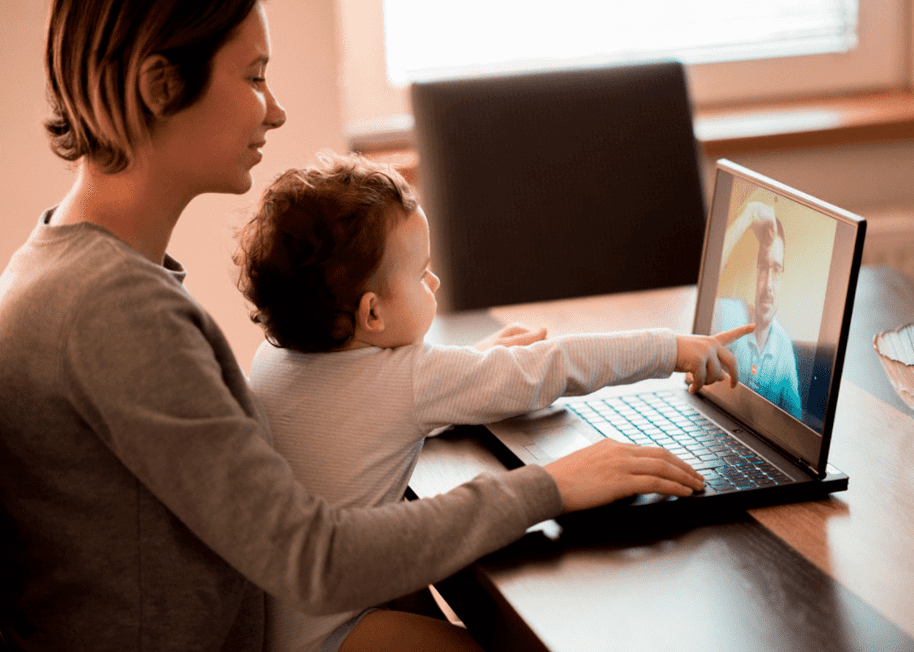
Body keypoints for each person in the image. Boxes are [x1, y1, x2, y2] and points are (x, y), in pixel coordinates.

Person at [0, 0, 738, 650]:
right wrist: (551, 486)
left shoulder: (70, 271)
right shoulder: (115, 313)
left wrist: (458, 384)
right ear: (161, 86)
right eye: (254, 77)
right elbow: (311, 560)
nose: (277, 108)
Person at [237, 152, 756, 652]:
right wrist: (671, 348)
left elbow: (365, 413)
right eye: (421, 275)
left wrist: (470, 367)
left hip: (278, 622)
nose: (433, 281)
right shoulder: (411, 381)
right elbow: (549, 367)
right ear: (372, 314)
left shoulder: (273, 359)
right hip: (341, 631)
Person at [716, 200, 802, 418]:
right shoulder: (731, 314)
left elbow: (797, 423)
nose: (769, 285)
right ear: (755, 273)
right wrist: (748, 215)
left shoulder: (784, 348)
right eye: (763, 267)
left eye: (777, 270)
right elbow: (706, 282)